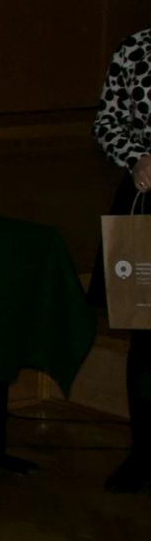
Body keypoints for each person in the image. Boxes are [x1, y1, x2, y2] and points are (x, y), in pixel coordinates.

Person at [94, 28, 151, 494]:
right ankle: (143, 454)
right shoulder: (136, 48)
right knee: (145, 339)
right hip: (145, 205)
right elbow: (106, 122)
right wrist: (137, 158)